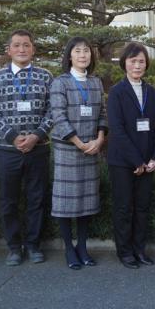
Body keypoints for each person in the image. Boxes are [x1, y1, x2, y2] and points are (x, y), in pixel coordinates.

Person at [0, 30, 54, 266]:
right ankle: (14, 247)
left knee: (37, 199)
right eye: (17, 45)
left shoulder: (46, 77)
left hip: (39, 148)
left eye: (26, 45)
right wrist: (13, 136)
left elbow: (53, 110)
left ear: (33, 49)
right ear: (9, 50)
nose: (22, 49)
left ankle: (34, 245)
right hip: (6, 149)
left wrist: (36, 135)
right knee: (8, 200)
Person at [49, 37, 107, 270]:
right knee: (65, 203)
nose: (83, 55)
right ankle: (68, 249)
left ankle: (82, 247)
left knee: (85, 201)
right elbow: (58, 117)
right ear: (69, 56)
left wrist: (100, 139)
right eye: (78, 51)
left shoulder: (96, 83)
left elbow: (103, 113)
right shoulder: (59, 83)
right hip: (68, 150)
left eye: (87, 51)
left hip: (92, 148)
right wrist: (79, 143)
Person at [107, 42, 155, 269]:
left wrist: (154, 158)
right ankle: (125, 251)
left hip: (147, 162)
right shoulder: (116, 92)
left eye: (141, 61)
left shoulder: (151, 91)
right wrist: (136, 161)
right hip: (122, 162)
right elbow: (117, 130)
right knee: (124, 208)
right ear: (124, 64)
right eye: (133, 61)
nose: (137, 65)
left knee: (142, 208)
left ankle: (139, 249)